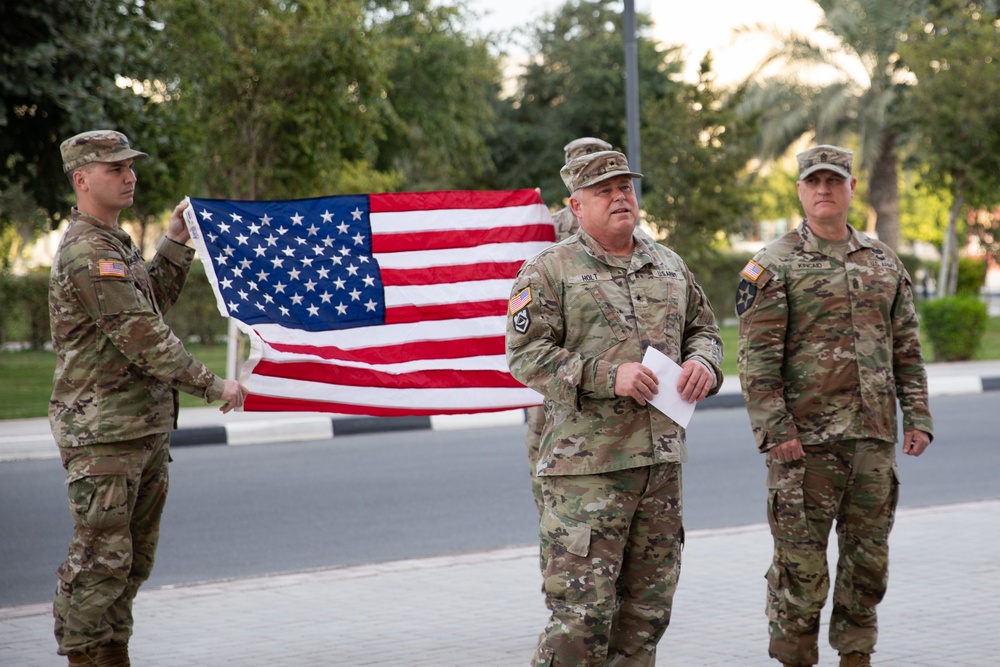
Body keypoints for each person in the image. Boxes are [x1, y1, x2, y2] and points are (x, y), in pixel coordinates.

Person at [506, 150, 723, 666]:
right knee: (580, 622)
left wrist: (704, 366)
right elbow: (525, 355)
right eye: (604, 190)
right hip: (588, 474)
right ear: (576, 206)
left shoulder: (668, 264)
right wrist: (609, 375)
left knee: (646, 617)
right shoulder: (549, 271)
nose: (620, 196)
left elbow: (706, 331)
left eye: (625, 186)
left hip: (659, 471)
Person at [50, 130, 247, 666]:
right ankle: (88, 657)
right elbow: (143, 336)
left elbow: (149, 304)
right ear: (82, 179)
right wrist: (214, 384)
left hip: (137, 432)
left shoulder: (115, 244)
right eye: (115, 169)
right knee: (99, 566)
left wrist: (175, 240)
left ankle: (111, 656)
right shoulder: (89, 252)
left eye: (130, 166)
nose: (129, 176)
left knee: (127, 565)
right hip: (105, 435)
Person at [735, 144, 934, 667]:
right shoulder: (772, 265)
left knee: (867, 566)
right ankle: (795, 658)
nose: (824, 189)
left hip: (872, 442)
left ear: (850, 188)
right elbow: (756, 364)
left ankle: (856, 657)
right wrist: (777, 432)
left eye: (834, 180)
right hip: (805, 449)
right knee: (800, 572)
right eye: (813, 181)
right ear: (800, 190)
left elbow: (906, 348)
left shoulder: (883, 261)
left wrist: (917, 417)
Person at [525, 136, 613, 515]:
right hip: (569, 359)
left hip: (571, 364)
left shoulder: (544, 224)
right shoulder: (546, 227)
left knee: (544, 454)